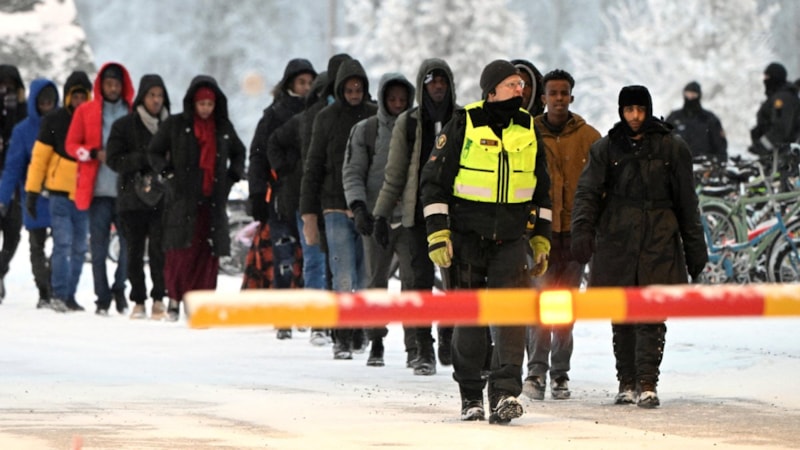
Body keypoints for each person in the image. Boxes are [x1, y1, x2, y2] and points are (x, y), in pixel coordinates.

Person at [420, 60, 552, 423]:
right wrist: (438, 233)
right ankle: (471, 395)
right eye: (511, 84)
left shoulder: (528, 127)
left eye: (522, 84)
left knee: (512, 317)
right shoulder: (464, 123)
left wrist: (541, 239)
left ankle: (506, 393)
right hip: (465, 239)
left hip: (511, 240)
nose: (519, 90)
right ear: (491, 90)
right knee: (470, 320)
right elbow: (433, 182)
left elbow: (542, 190)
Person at [570, 85, 708, 409]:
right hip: (617, 238)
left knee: (652, 314)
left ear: (648, 109)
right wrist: (582, 232)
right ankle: (626, 381)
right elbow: (588, 193)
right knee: (622, 313)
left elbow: (687, 202)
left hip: (658, 238)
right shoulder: (606, 148)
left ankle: (648, 381)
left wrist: (695, 249)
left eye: (640, 110)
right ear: (621, 111)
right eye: (629, 110)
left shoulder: (671, 147)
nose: (634, 117)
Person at [372, 58, 457, 375]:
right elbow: (393, 175)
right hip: (414, 217)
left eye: (442, 80)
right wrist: (381, 215)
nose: (437, 86)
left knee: (455, 284)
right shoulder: (407, 123)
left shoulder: (463, 120)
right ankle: (422, 348)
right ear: (422, 85)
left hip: (454, 217)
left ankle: (450, 335)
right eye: (432, 80)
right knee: (416, 284)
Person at [523, 69, 600, 402]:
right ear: (542, 98)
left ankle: (560, 374)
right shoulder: (528, 134)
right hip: (538, 236)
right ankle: (536, 372)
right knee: (540, 305)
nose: (558, 98)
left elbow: (600, 188)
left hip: (574, 236)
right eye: (552, 93)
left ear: (572, 96)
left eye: (563, 92)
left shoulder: (590, 138)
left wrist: (591, 229)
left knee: (564, 309)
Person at [147, 75, 246, 321]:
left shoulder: (222, 128)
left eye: (209, 104)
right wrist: (168, 176)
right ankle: (175, 299)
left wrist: (231, 177)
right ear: (193, 103)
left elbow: (239, 152)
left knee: (207, 254)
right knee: (179, 253)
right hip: (182, 199)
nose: (205, 109)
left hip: (211, 201)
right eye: (201, 104)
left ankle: (201, 301)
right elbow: (155, 151)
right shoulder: (176, 124)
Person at [300, 58, 376, 359]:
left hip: (366, 206)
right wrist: (308, 213)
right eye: (350, 89)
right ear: (340, 88)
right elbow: (313, 165)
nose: (355, 94)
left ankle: (359, 330)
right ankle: (341, 335)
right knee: (342, 274)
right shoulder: (326, 118)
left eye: (359, 89)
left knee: (363, 275)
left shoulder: (374, 116)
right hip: (332, 205)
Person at [342, 71, 416, 367]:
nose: (397, 104)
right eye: (392, 99)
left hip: (409, 219)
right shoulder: (366, 130)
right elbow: (353, 171)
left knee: (413, 284)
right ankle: (376, 341)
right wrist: (359, 207)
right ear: (384, 100)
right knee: (375, 281)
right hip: (375, 217)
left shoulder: (416, 129)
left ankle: (416, 346)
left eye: (402, 99)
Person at [244, 58, 316, 339]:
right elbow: (258, 157)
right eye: (301, 82)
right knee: (283, 257)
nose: (306, 87)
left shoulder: (318, 112)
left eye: (310, 83)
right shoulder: (274, 115)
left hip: (310, 199)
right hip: (280, 197)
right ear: (289, 84)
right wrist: (257, 194)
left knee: (309, 259)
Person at [267, 71, 332, 346]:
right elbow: (271, 145)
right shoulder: (302, 120)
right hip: (302, 199)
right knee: (311, 259)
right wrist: (289, 169)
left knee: (321, 261)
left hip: (329, 199)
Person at [66, 62, 134, 316]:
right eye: (108, 84)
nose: (113, 88)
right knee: (98, 248)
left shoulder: (132, 111)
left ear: (123, 85)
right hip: (97, 191)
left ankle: (120, 287)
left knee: (129, 246)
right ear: (101, 85)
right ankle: (102, 296)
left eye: (117, 84)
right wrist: (93, 153)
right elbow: (71, 145)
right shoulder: (86, 111)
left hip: (126, 190)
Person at [25, 71, 92, 313]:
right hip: (58, 193)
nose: (79, 102)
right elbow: (39, 159)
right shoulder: (54, 120)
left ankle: (69, 296)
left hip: (84, 194)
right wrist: (32, 191)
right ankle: (58, 294)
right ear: (67, 97)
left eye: (83, 96)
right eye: (75, 97)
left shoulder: (94, 121)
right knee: (62, 244)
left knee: (79, 248)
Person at [105, 74, 171, 320]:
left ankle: (158, 298)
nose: (156, 100)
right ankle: (138, 299)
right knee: (133, 251)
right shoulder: (124, 126)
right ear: (142, 97)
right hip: (131, 198)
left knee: (158, 250)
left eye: (160, 95)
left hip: (162, 196)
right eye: (152, 95)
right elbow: (113, 160)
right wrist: (144, 158)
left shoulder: (170, 126)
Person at [0, 78, 58, 307]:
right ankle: (44, 291)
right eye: (43, 101)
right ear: (35, 101)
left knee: (63, 245)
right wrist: (3, 198)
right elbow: (12, 167)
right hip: (32, 197)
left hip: (60, 195)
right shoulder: (22, 131)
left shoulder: (64, 124)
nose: (47, 105)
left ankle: (53, 285)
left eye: (51, 101)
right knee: (36, 246)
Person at [0, 64, 28, 302]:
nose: (6, 88)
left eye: (10, 83)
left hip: (17, 182)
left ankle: (0, 271)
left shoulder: (25, 111)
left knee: (13, 233)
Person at [750, 62, 800, 178]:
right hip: (775, 156)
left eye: (768, 77)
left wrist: (762, 144)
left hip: (782, 156)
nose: (765, 80)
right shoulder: (779, 96)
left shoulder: (782, 99)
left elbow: (781, 128)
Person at [665, 81, 727, 163]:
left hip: (703, 166)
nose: (690, 97)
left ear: (699, 95)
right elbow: (662, 142)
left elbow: (720, 147)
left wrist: (718, 163)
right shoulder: (674, 117)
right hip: (677, 166)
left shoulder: (709, 119)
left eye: (693, 95)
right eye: (687, 94)